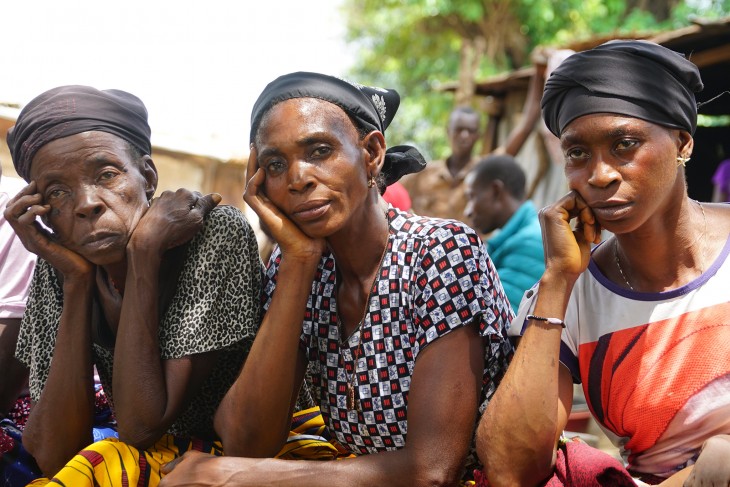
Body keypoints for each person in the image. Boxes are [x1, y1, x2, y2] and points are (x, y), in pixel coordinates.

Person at [160, 72, 513, 486]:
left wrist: (243, 475)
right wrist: (297, 261)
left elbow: (433, 469)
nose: (298, 178)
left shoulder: (440, 252)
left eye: (320, 151)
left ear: (372, 153)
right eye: (275, 164)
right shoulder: (304, 269)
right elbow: (246, 439)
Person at [476, 40, 730, 487]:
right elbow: (509, 470)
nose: (600, 174)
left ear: (683, 143)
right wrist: (557, 280)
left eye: (624, 145)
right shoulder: (571, 296)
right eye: (578, 153)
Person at [3, 85, 262, 486]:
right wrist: (76, 281)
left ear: (148, 175)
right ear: (44, 213)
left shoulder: (214, 233)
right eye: (57, 191)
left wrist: (144, 254)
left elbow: (142, 426)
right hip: (144, 462)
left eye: (107, 174)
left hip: (244, 456)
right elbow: (54, 454)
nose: (87, 203)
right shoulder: (65, 263)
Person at [463, 155, 544, 312]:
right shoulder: (518, 237)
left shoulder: (529, 243)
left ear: (495, 191)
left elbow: (499, 321)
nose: (468, 211)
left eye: (472, 197)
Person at [400, 106, 482, 220]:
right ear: (448, 131)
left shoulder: (483, 173)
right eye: (459, 129)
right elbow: (392, 190)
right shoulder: (423, 173)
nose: (464, 136)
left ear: (478, 136)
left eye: (471, 131)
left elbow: (506, 152)